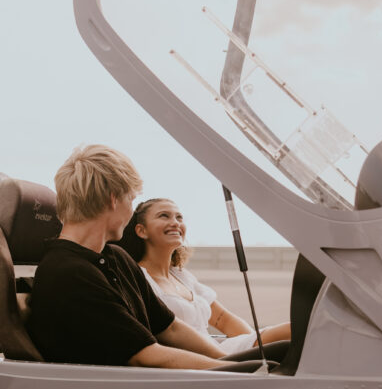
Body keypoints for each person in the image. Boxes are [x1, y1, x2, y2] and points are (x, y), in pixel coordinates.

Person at [27, 146, 230, 369]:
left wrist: (230, 362)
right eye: (131, 199)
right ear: (113, 199)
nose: (131, 211)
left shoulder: (116, 257)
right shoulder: (67, 273)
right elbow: (144, 355)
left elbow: (170, 328)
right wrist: (235, 373)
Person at [118, 198, 291, 355]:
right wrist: (229, 362)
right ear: (141, 231)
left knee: (292, 330)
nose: (175, 223)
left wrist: (254, 348)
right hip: (194, 360)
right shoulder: (138, 277)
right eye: (164, 216)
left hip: (219, 349)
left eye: (179, 217)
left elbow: (223, 319)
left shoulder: (183, 276)